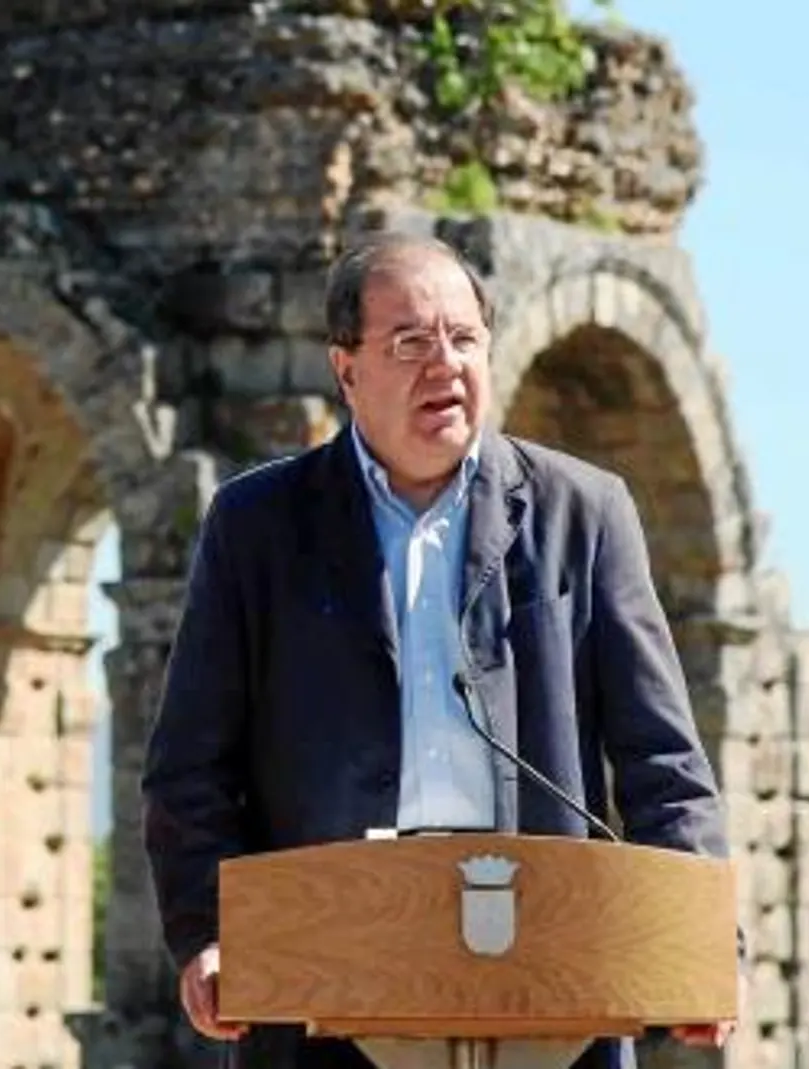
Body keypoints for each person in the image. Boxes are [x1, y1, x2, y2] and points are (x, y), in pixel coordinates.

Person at [141, 233, 740, 1068]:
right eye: (411, 343)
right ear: (346, 369)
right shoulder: (257, 525)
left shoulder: (585, 511)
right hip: (331, 973)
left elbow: (661, 757)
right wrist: (206, 930)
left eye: (464, 339)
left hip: (547, 969)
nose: (445, 365)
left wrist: (699, 941)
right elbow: (191, 765)